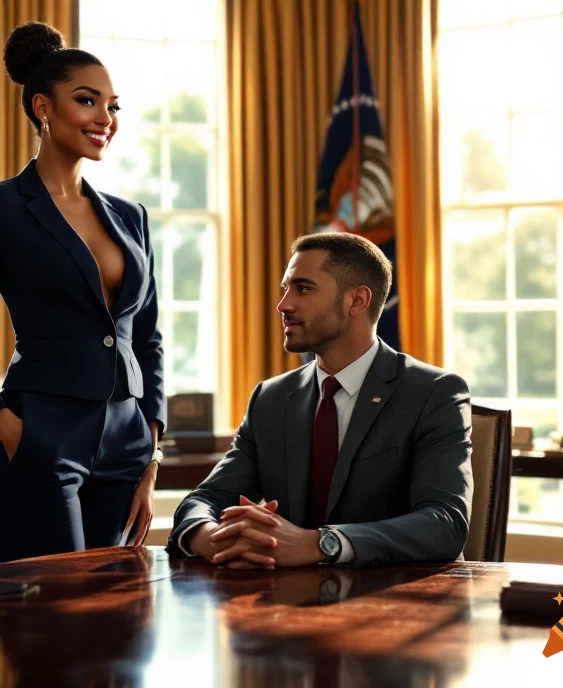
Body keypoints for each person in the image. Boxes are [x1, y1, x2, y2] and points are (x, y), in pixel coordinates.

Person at [0, 22, 166, 562]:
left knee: (114, 626)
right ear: (42, 107)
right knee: (52, 627)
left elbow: (146, 338)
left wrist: (151, 451)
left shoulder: (132, 218)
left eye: (113, 106)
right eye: (87, 100)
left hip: (127, 446)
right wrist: (8, 428)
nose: (105, 118)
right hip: (41, 439)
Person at [168, 232, 473, 569]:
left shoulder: (434, 393)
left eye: (303, 288)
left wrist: (321, 544)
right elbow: (204, 500)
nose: (283, 304)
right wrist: (212, 538)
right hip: (285, 605)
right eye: (286, 288)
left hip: (398, 604)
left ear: (357, 301)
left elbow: (445, 523)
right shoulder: (270, 399)